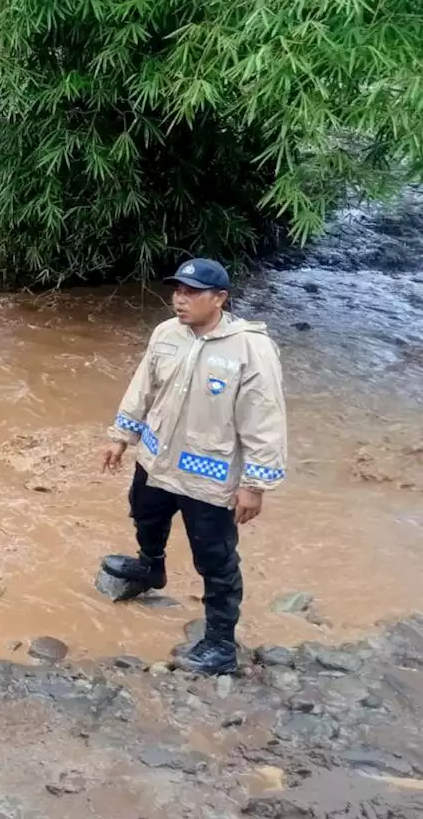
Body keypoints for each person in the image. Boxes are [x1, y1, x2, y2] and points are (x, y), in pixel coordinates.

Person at [100, 258, 287, 675]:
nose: (180, 300)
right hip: (156, 460)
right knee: (145, 514)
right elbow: (142, 388)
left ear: (219, 298)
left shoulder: (250, 349)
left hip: (209, 475)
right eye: (177, 290)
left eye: (191, 293)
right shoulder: (167, 334)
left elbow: (264, 417)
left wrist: (254, 483)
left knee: (215, 558)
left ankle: (220, 643)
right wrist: (121, 437)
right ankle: (151, 567)